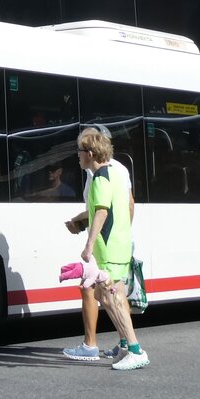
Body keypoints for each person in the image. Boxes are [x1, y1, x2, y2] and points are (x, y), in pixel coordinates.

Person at [61, 127, 148, 370]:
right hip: (117, 245)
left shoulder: (100, 177)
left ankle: (135, 350)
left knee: (111, 297)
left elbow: (101, 211)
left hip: (108, 248)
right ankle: (127, 347)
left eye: (79, 151)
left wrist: (88, 246)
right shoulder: (115, 174)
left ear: (89, 153)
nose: (77, 156)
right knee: (106, 296)